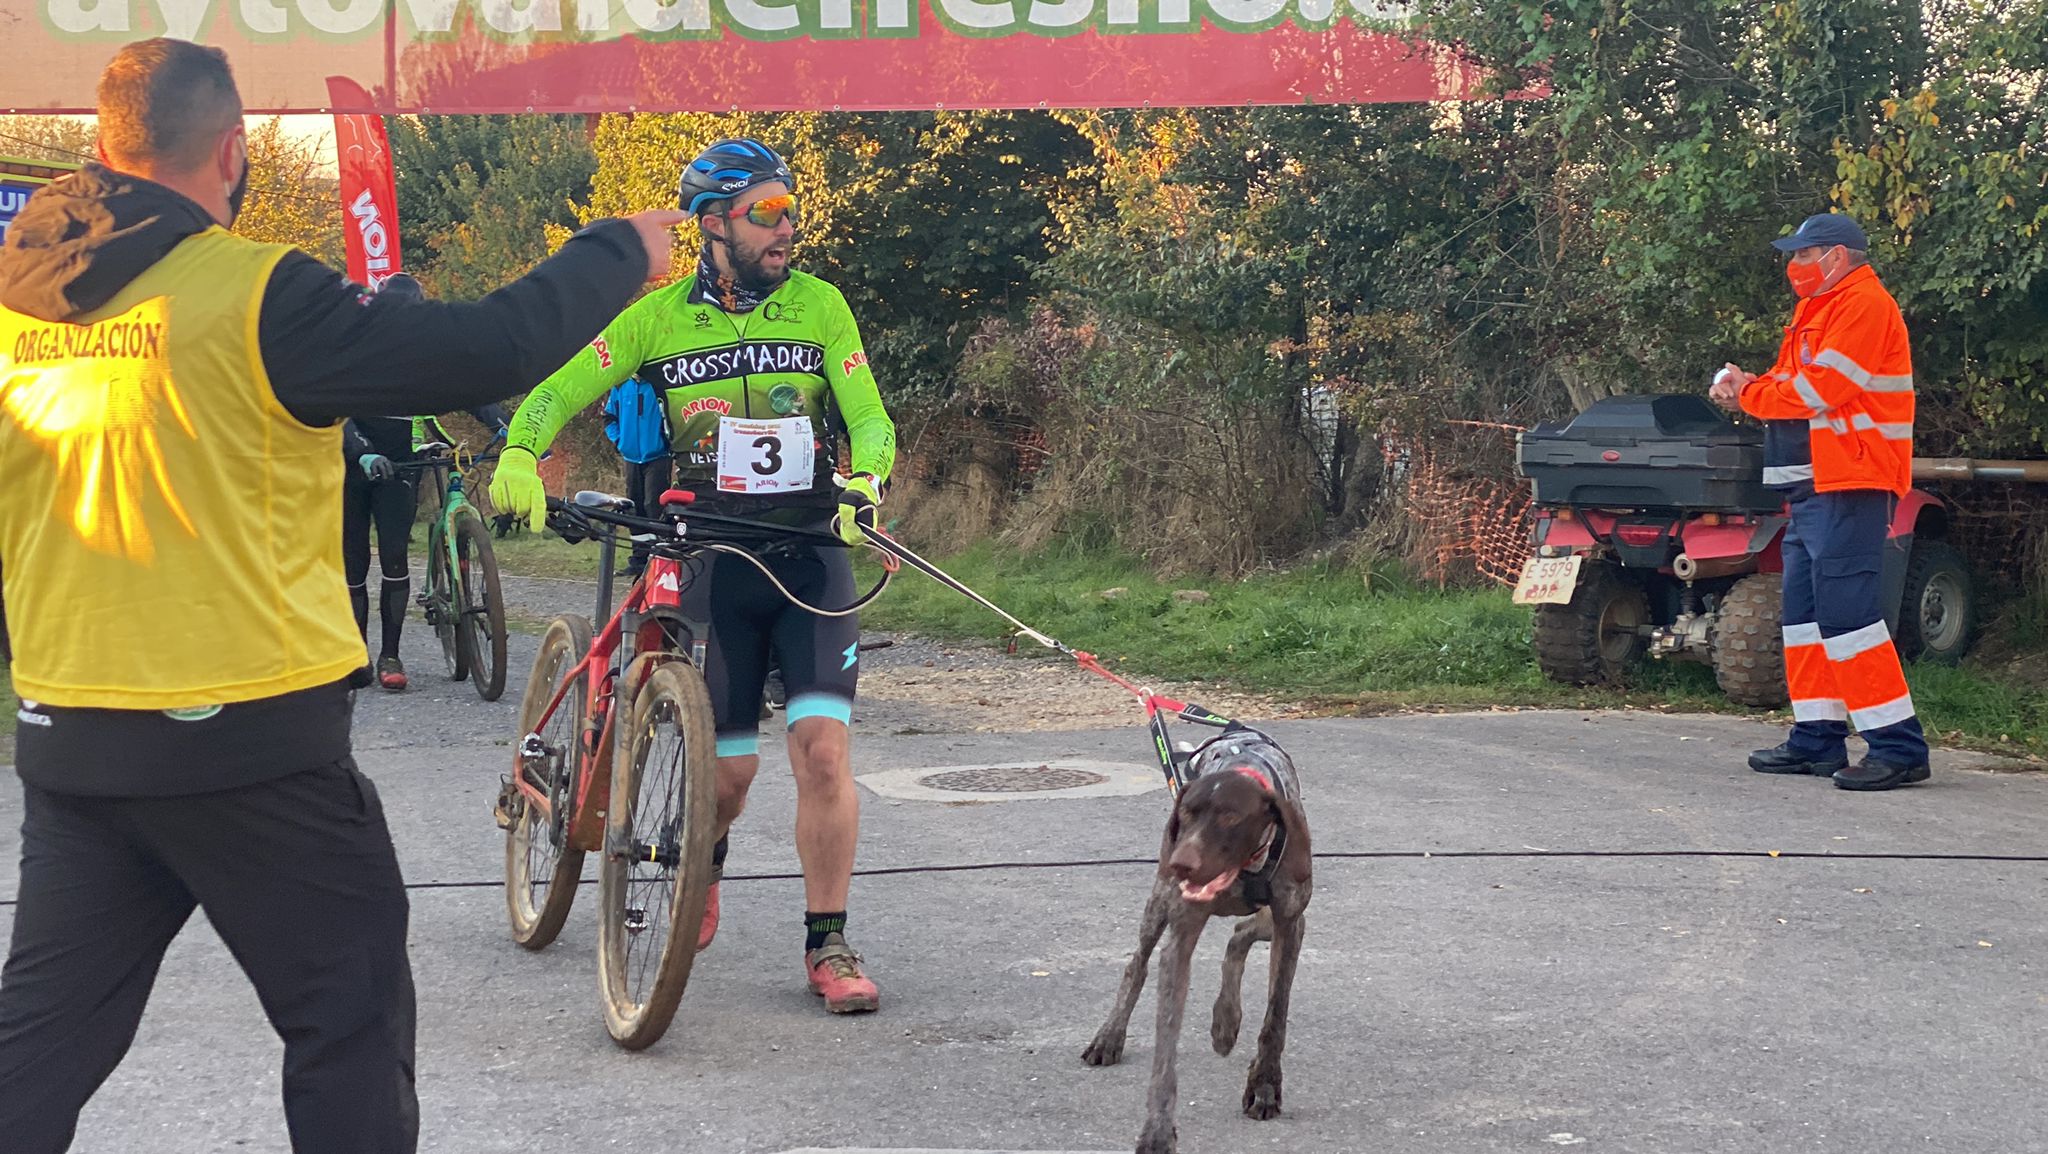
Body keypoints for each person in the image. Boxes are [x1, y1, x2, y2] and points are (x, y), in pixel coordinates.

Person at [0, 38, 682, 1153]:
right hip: (247, 744)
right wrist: (617, 250)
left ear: (100, 145)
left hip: (73, 733)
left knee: (40, 1041)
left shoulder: (15, 305)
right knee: (349, 1020)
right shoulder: (255, 289)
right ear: (233, 152)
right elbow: (486, 348)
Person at [492, 137, 898, 1013]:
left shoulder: (821, 306)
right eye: (766, 213)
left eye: (791, 209)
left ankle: (827, 943)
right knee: (728, 778)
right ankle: (698, 868)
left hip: (807, 553)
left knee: (822, 752)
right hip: (710, 556)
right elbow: (558, 389)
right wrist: (523, 452)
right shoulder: (657, 319)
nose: (786, 227)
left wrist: (866, 480)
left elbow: (868, 416)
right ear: (714, 224)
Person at [1710, 211, 1931, 791]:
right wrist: (1750, 385)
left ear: (1837, 255)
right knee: (1805, 618)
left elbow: (1819, 392)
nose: (1795, 265)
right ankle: (1816, 740)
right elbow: (1793, 388)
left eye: (1804, 255)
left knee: (1848, 618)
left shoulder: (1862, 304)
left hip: (1850, 482)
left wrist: (1749, 392)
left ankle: (1899, 748)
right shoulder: (1819, 308)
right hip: (1814, 487)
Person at [341, 274, 510, 691]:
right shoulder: (357, 351)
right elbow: (337, 411)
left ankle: (390, 656)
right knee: (355, 563)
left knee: (396, 558)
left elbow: (470, 392)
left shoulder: (425, 355)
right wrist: (361, 451)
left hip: (400, 467)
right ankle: (354, 653)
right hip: (352, 465)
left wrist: (508, 428)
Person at [600, 373, 673, 578]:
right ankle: (639, 560)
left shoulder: (659, 385)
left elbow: (673, 416)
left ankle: (661, 556)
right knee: (634, 507)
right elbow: (609, 418)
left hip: (658, 455)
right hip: (631, 457)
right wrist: (619, 441)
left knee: (654, 505)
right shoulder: (621, 385)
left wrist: (667, 441)